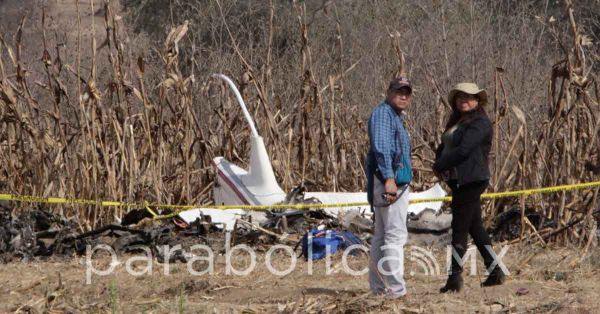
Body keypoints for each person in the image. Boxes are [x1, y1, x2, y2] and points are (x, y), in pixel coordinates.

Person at [433, 82, 506, 293]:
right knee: (475, 227)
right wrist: (439, 161)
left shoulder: (481, 123)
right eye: (460, 97)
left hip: (472, 180)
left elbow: (464, 150)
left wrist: (441, 164)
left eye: (469, 97)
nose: (464, 100)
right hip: (459, 180)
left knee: (459, 229)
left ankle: (454, 279)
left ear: (477, 101)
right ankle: (495, 271)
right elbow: (446, 146)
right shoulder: (458, 121)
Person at [365, 77, 413, 298]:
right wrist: (389, 179)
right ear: (389, 92)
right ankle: (395, 289)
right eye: (398, 91)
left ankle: (379, 287)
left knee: (383, 235)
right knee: (394, 236)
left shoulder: (394, 115)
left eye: (407, 92)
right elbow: (382, 148)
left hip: (390, 180)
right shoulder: (384, 114)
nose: (403, 95)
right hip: (389, 181)